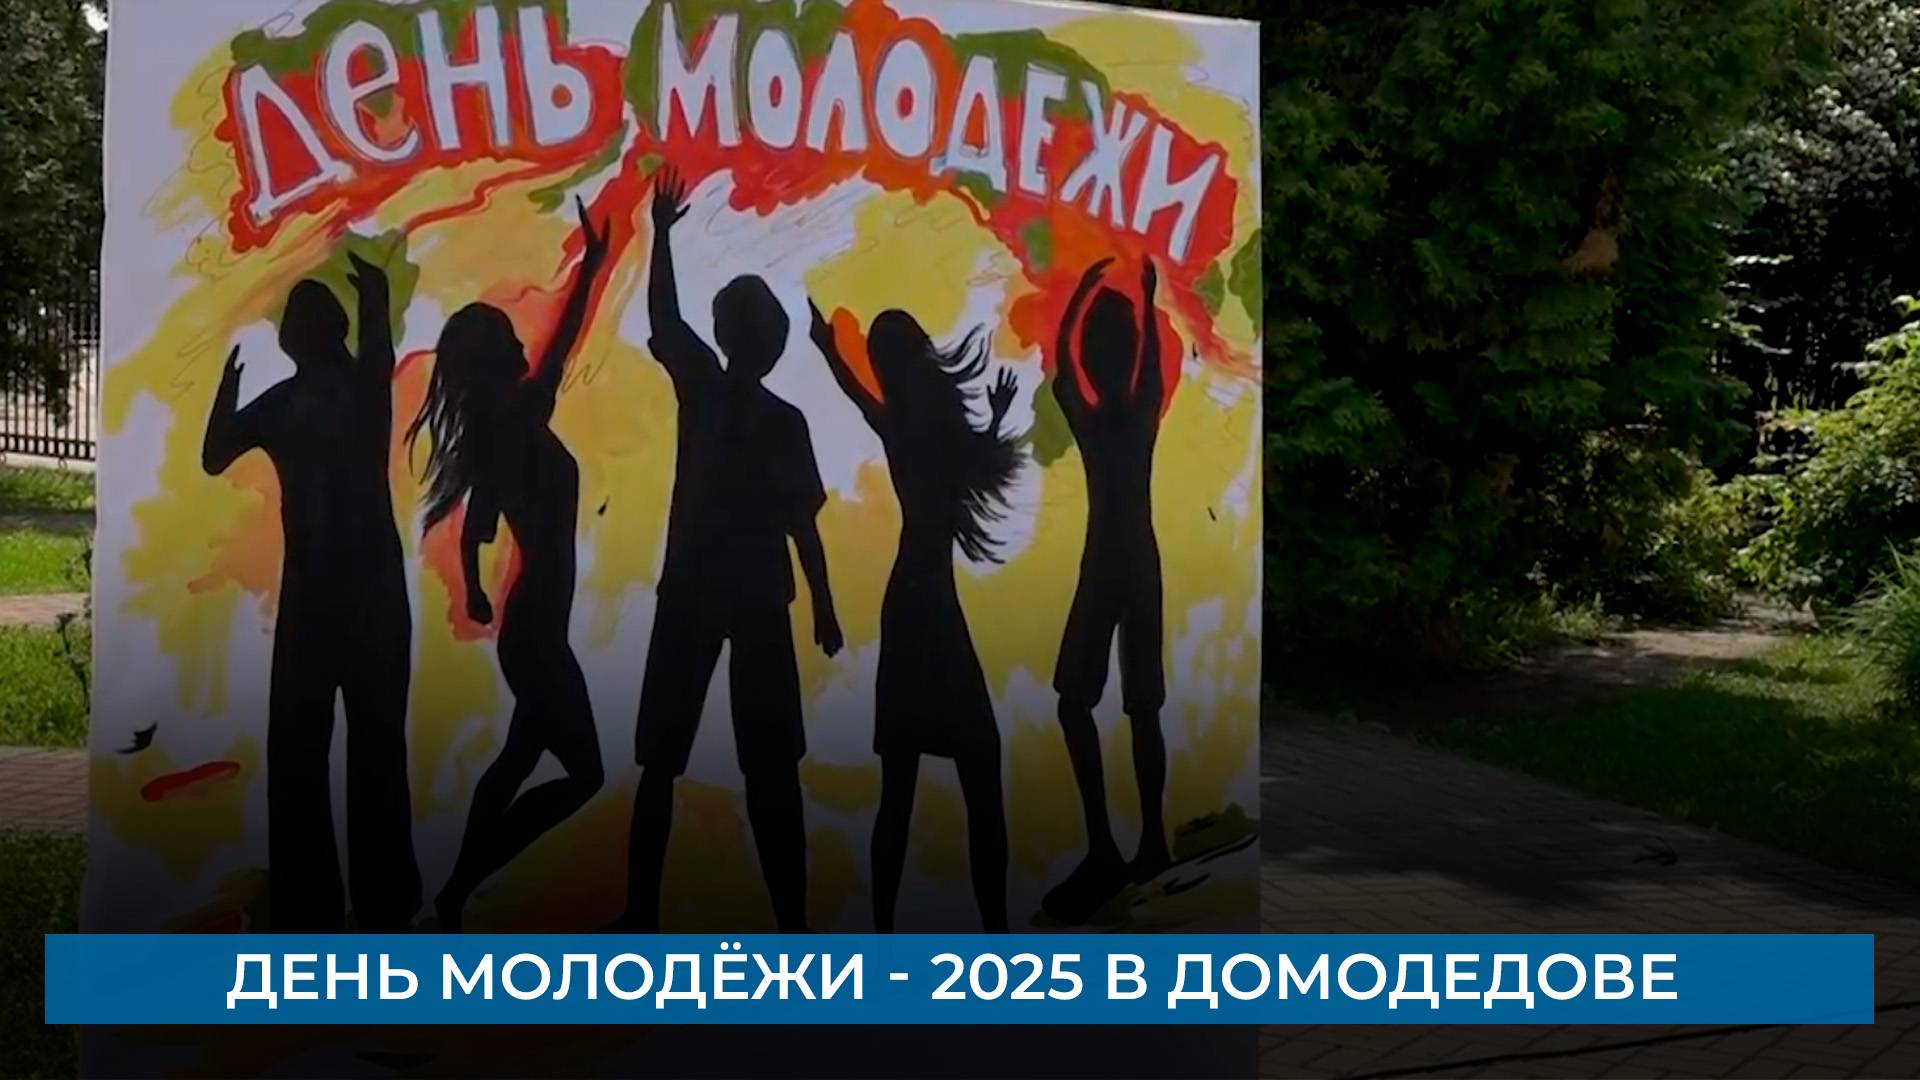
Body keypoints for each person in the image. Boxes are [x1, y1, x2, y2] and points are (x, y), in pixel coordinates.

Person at [609, 167, 843, 933]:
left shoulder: (708, 392)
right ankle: (789, 926)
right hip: (753, 594)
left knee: (666, 759)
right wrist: (824, 606)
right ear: (771, 346)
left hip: (702, 590)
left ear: (726, 334)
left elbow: (664, 317)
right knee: (763, 767)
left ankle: (645, 915)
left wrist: (662, 235)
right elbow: (803, 526)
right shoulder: (774, 416)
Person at [407, 198, 610, 932]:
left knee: (517, 761)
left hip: (532, 627)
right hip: (537, 634)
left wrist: (473, 588)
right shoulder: (519, 420)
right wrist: (592, 266)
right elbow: (564, 344)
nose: (525, 347)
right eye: (510, 343)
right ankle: (464, 882)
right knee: (584, 773)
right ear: (496, 365)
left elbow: (477, 528)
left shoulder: (494, 435)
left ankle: (454, 896)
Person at [202, 249, 419, 932]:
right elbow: (378, 334)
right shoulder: (361, 388)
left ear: (299, 339)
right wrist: (373, 291)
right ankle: (379, 902)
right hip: (366, 592)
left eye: (294, 325)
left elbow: (214, 453)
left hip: (324, 597)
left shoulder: (292, 402)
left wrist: (228, 389)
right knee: (372, 748)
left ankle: (312, 905)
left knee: (307, 750)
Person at [809, 302, 1021, 933]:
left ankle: (888, 935)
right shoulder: (937, 432)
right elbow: (983, 463)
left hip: (912, 605)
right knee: (975, 766)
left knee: (901, 783)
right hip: (929, 606)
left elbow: (856, 396)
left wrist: (827, 348)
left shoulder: (905, 427)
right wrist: (997, 417)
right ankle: (995, 933)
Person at [1042, 256, 1174, 926]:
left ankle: (1106, 841)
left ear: (1096, 360)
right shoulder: (1140, 415)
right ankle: (1148, 839)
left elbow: (1060, 373)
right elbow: (1147, 364)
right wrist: (1143, 301)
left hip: (1105, 564)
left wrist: (1082, 296)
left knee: (1076, 700)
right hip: (1139, 562)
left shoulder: (1096, 424)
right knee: (1141, 705)